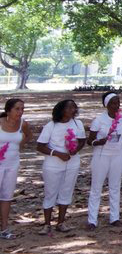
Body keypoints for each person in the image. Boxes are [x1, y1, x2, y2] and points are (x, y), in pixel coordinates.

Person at [37, 99, 86, 234]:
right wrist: (57, 153)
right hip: (53, 165)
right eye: (69, 108)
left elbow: (82, 140)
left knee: (66, 191)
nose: (73, 110)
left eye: (74, 108)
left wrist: (76, 150)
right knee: (50, 193)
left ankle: (61, 222)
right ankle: (47, 224)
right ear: (61, 110)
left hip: (72, 163)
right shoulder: (51, 126)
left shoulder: (77, 123)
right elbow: (40, 146)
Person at [87, 92, 122, 229]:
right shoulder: (99, 120)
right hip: (101, 156)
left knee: (115, 187)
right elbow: (90, 141)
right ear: (106, 105)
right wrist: (98, 142)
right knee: (96, 187)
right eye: (113, 103)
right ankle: (92, 220)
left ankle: (114, 217)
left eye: (118, 102)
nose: (116, 105)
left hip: (117, 156)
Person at [0, 98, 32, 239]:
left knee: (7, 196)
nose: (20, 112)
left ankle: (4, 228)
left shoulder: (22, 124)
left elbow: (29, 135)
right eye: (17, 109)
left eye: (22, 109)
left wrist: (21, 145)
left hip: (12, 163)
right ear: (8, 110)